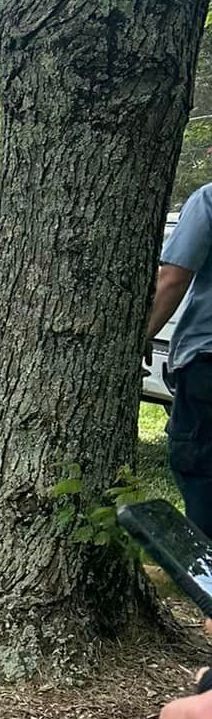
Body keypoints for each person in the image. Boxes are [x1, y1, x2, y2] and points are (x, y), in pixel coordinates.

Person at [147, 188, 212, 536]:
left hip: (208, 362)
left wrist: (141, 335)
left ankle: (207, 578)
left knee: (200, 469)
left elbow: (173, 279)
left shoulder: (209, 200)